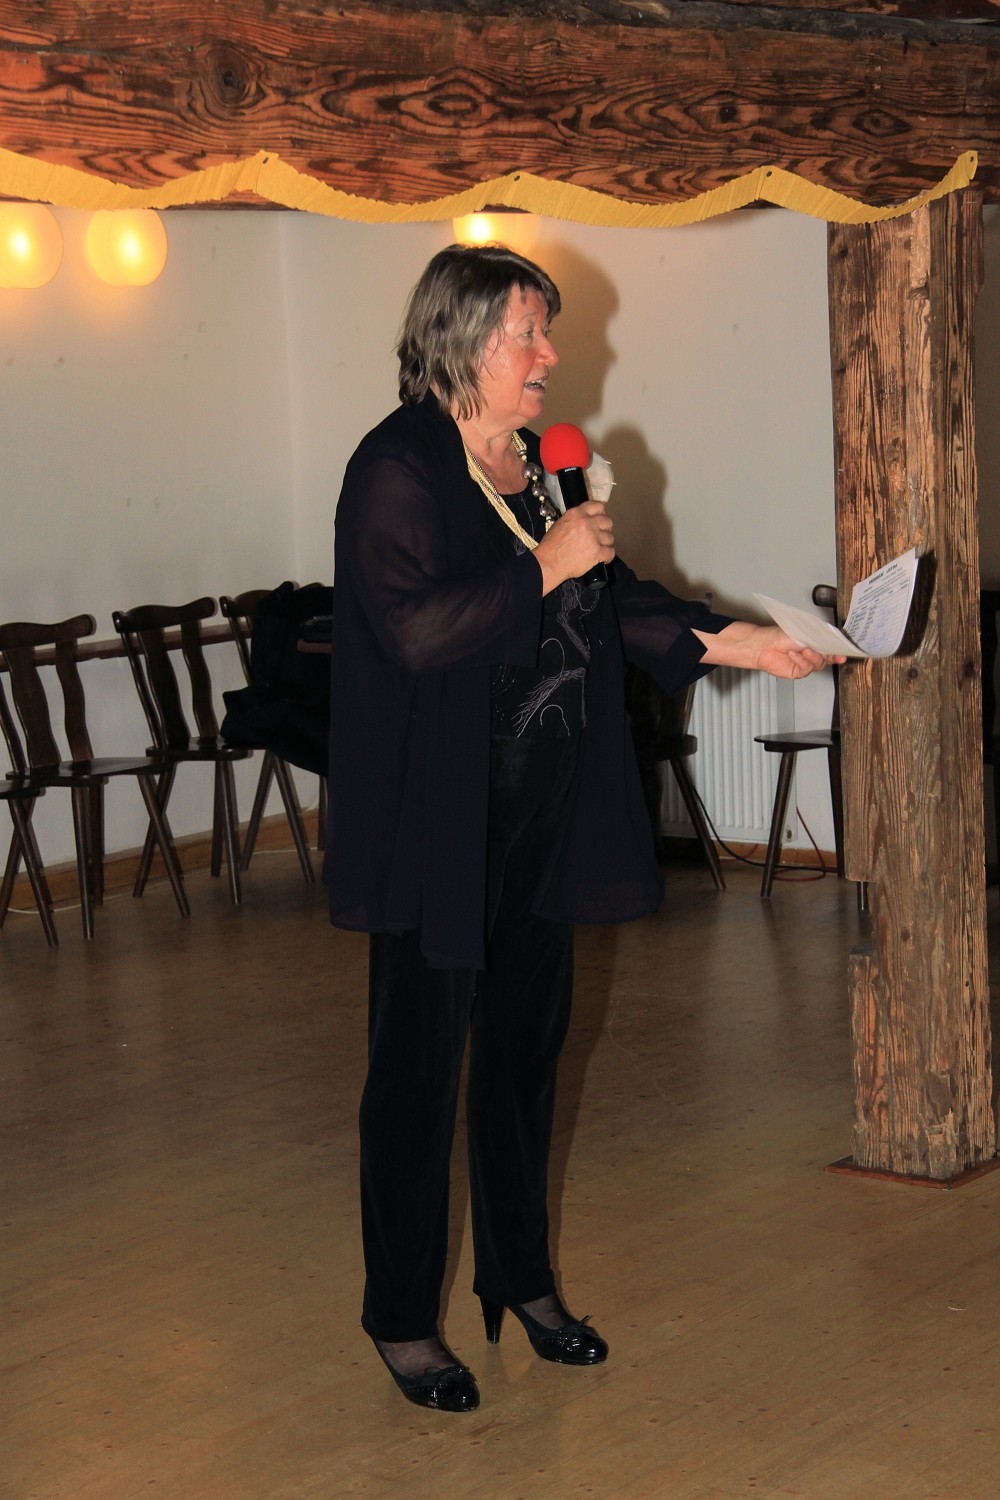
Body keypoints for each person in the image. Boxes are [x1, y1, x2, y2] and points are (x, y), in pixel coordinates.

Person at [323, 243, 837, 1414]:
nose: (550, 355)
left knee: (521, 1062)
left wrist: (740, 642)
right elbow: (413, 634)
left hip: (538, 819)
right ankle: (401, 1316)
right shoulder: (396, 468)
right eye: (529, 334)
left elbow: (612, 600)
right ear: (461, 340)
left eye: (544, 332)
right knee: (415, 1079)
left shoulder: (539, 466)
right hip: (438, 827)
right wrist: (543, 569)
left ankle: (523, 1281)